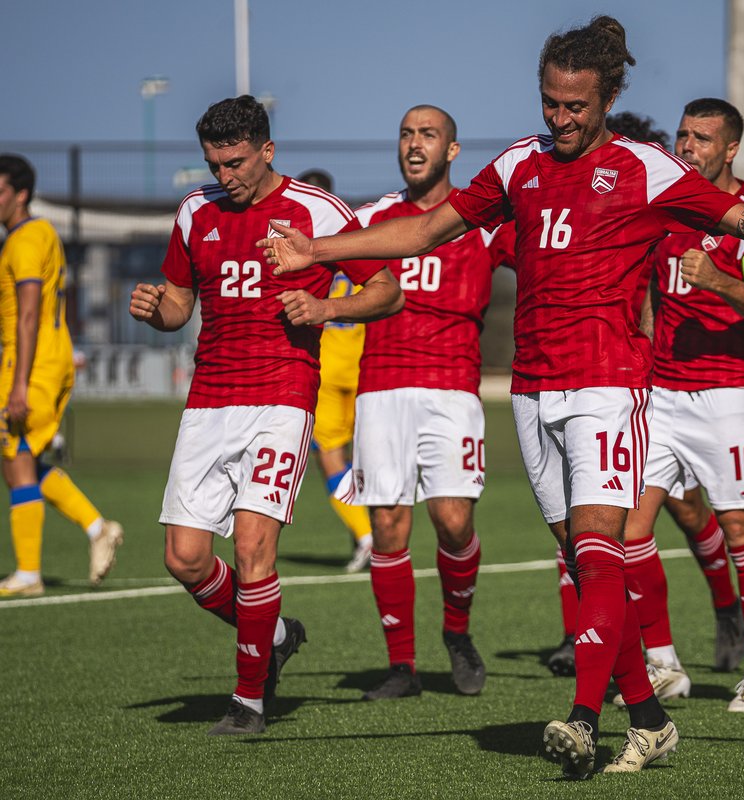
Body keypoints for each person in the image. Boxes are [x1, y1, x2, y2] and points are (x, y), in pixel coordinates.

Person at [260, 15, 744, 776]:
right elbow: (422, 233)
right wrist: (315, 249)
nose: (561, 118)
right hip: (533, 391)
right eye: (551, 102)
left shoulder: (647, 167)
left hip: (609, 384)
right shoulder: (519, 165)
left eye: (576, 106)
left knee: (598, 550)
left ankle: (584, 718)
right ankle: (647, 716)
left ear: (608, 96)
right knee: (583, 564)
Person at [128, 96, 403, 734]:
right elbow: (177, 306)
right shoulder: (195, 212)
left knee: (253, 548)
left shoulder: (314, 211)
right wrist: (155, 308)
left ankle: (248, 700)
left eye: (237, 162)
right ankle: (276, 633)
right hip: (208, 401)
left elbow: (388, 289)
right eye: (214, 164)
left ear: (267, 150)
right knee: (184, 558)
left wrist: (328, 310)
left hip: (281, 396)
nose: (225, 176)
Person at [546, 111, 744, 680]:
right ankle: (639, 651)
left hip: (650, 379)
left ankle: (725, 606)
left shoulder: (653, 201)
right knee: (605, 519)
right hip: (589, 377)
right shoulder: (574, 203)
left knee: (685, 509)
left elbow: (656, 296)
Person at [616, 97, 744, 714]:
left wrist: (714, 278)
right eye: (684, 136)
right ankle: (664, 664)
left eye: (703, 139)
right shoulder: (667, 211)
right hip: (662, 394)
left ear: (731, 148)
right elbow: (650, 302)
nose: (688, 148)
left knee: (742, 530)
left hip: (730, 394)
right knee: (629, 529)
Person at [343, 104, 514, 700]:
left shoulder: (483, 223)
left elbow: (551, 262)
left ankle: (458, 632)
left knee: (453, 520)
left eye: (429, 135)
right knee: (388, 525)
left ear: (452, 150)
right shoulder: (372, 220)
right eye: (407, 134)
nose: (415, 145)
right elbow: (317, 264)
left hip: (452, 388)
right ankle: (402, 668)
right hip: (381, 387)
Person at [0, 154, 124, 597]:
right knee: (25, 463)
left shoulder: (26, 240)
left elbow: (28, 314)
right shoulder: (36, 235)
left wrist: (17, 383)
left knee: (15, 459)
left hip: (30, 366)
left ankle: (29, 574)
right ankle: (97, 528)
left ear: (21, 194)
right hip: (47, 362)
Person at [294, 168, 375, 572]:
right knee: (371, 462)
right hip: (364, 370)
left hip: (325, 371)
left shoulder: (301, 251)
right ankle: (379, 535)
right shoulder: (360, 241)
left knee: (331, 459)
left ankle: (366, 536)